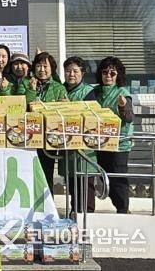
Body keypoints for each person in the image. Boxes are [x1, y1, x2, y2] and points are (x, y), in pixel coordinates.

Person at [19, 51, 68, 194]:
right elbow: (21, 106)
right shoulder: (25, 83)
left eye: (45, 66)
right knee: (27, 173)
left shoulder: (58, 87)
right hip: (28, 135)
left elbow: (64, 111)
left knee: (46, 173)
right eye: (39, 66)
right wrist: (31, 90)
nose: (42, 70)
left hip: (49, 137)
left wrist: (63, 104)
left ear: (52, 69)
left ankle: (48, 202)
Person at [93, 56, 133, 214]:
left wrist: (123, 106)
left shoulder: (123, 92)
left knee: (118, 179)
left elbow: (129, 117)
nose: (108, 76)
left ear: (118, 75)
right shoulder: (96, 91)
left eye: (112, 73)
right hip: (101, 142)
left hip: (119, 144)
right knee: (105, 177)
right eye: (105, 72)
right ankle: (119, 206)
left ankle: (123, 209)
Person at [61, 56, 97, 213]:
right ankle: (75, 214)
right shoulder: (60, 89)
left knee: (85, 185)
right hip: (67, 147)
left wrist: (69, 107)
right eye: (68, 71)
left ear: (82, 73)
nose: (71, 74)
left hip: (85, 149)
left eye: (75, 71)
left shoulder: (89, 92)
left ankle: (88, 216)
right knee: (72, 186)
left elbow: (92, 118)